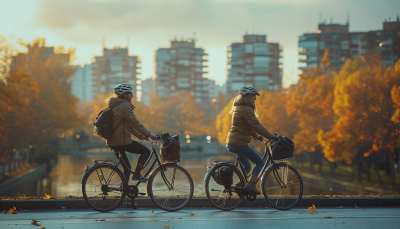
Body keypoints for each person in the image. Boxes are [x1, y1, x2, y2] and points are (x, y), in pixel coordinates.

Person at [226, 87, 278, 194]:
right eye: (254, 96)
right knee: (260, 162)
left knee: (248, 166)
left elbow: (248, 125)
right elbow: (256, 125)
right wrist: (271, 136)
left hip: (234, 141)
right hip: (239, 143)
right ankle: (251, 185)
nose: (255, 99)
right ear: (249, 96)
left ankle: (240, 185)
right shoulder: (246, 108)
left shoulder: (240, 107)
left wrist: (256, 137)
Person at [106, 83, 158, 182]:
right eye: (130, 93)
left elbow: (130, 127)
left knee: (127, 167)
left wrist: (143, 136)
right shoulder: (125, 105)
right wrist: (149, 134)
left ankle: (124, 191)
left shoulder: (116, 105)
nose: (132, 96)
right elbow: (135, 123)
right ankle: (137, 175)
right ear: (125, 94)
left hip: (113, 141)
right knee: (146, 151)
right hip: (120, 141)